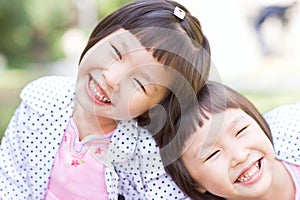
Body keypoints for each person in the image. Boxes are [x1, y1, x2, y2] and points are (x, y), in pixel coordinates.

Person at [0, 0, 211, 199]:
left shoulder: (145, 152)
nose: (111, 78)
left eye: (139, 83)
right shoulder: (41, 100)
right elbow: (9, 178)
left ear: (157, 107)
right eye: (116, 52)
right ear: (101, 35)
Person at [161, 81, 300, 200]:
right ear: (194, 182)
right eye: (212, 154)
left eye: (241, 130)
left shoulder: (293, 131)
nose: (240, 156)